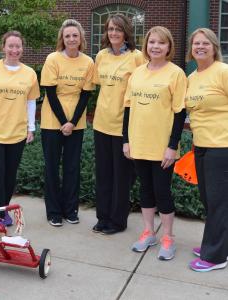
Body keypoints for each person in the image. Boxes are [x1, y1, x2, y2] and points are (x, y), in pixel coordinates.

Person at [123, 26, 186, 260]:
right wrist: (126, 140)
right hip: (138, 143)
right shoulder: (137, 73)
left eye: (161, 43)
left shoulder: (176, 73)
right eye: (152, 42)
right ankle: (149, 232)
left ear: (169, 47)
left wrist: (172, 145)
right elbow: (128, 108)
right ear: (146, 45)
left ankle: (168, 237)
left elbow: (180, 113)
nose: (156, 46)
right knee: (145, 190)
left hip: (162, 147)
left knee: (162, 191)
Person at [0, 31, 40, 226]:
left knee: (10, 175)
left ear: (22, 48)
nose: (14, 50)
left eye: (18, 46)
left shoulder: (29, 73)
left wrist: (31, 128)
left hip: (17, 133)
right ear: (3, 47)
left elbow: (31, 102)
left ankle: (3, 209)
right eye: (10, 46)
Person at [92, 14, 144, 235]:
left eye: (118, 29)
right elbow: (98, 88)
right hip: (101, 124)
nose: (114, 33)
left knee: (121, 177)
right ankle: (102, 217)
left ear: (126, 33)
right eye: (110, 29)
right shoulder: (101, 56)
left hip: (124, 125)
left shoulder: (137, 57)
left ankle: (118, 220)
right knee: (103, 174)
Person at [40, 19, 94, 227]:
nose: (71, 39)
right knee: (52, 167)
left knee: (72, 168)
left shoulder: (88, 62)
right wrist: (64, 121)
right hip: (53, 121)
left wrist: (72, 122)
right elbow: (51, 93)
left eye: (75, 35)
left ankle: (70, 210)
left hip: (76, 124)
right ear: (62, 39)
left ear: (81, 38)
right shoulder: (52, 59)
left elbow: (85, 95)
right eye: (67, 36)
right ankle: (54, 211)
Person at [186, 28, 228, 272]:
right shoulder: (193, 77)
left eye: (205, 43)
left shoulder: (222, 72)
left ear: (214, 47)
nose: (200, 47)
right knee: (209, 200)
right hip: (201, 146)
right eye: (196, 43)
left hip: (222, 147)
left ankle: (215, 257)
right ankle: (218, 244)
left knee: (218, 202)